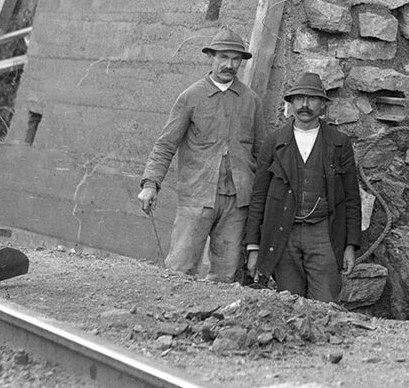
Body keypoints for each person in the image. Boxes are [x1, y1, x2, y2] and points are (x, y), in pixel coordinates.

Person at [137, 26, 262, 281]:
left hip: (237, 202)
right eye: (223, 57)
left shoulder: (251, 101)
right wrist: (151, 184)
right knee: (180, 269)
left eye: (235, 59)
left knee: (225, 274)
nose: (229, 64)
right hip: (197, 196)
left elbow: (262, 153)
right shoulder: (190, 97)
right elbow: (165, 145)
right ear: (211, 57)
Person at [244, 72, 362, 302]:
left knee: (326, 301)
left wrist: (350, 246)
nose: (304, 105)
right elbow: (258, 196)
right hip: (283, 233)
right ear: (291, 104)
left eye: (312, 99)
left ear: (323, 106)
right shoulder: (274, 142)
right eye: (298, 99)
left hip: (324, 233)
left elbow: (351, 199)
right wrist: (253, 247)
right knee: (289, 300)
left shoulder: (339, 143)